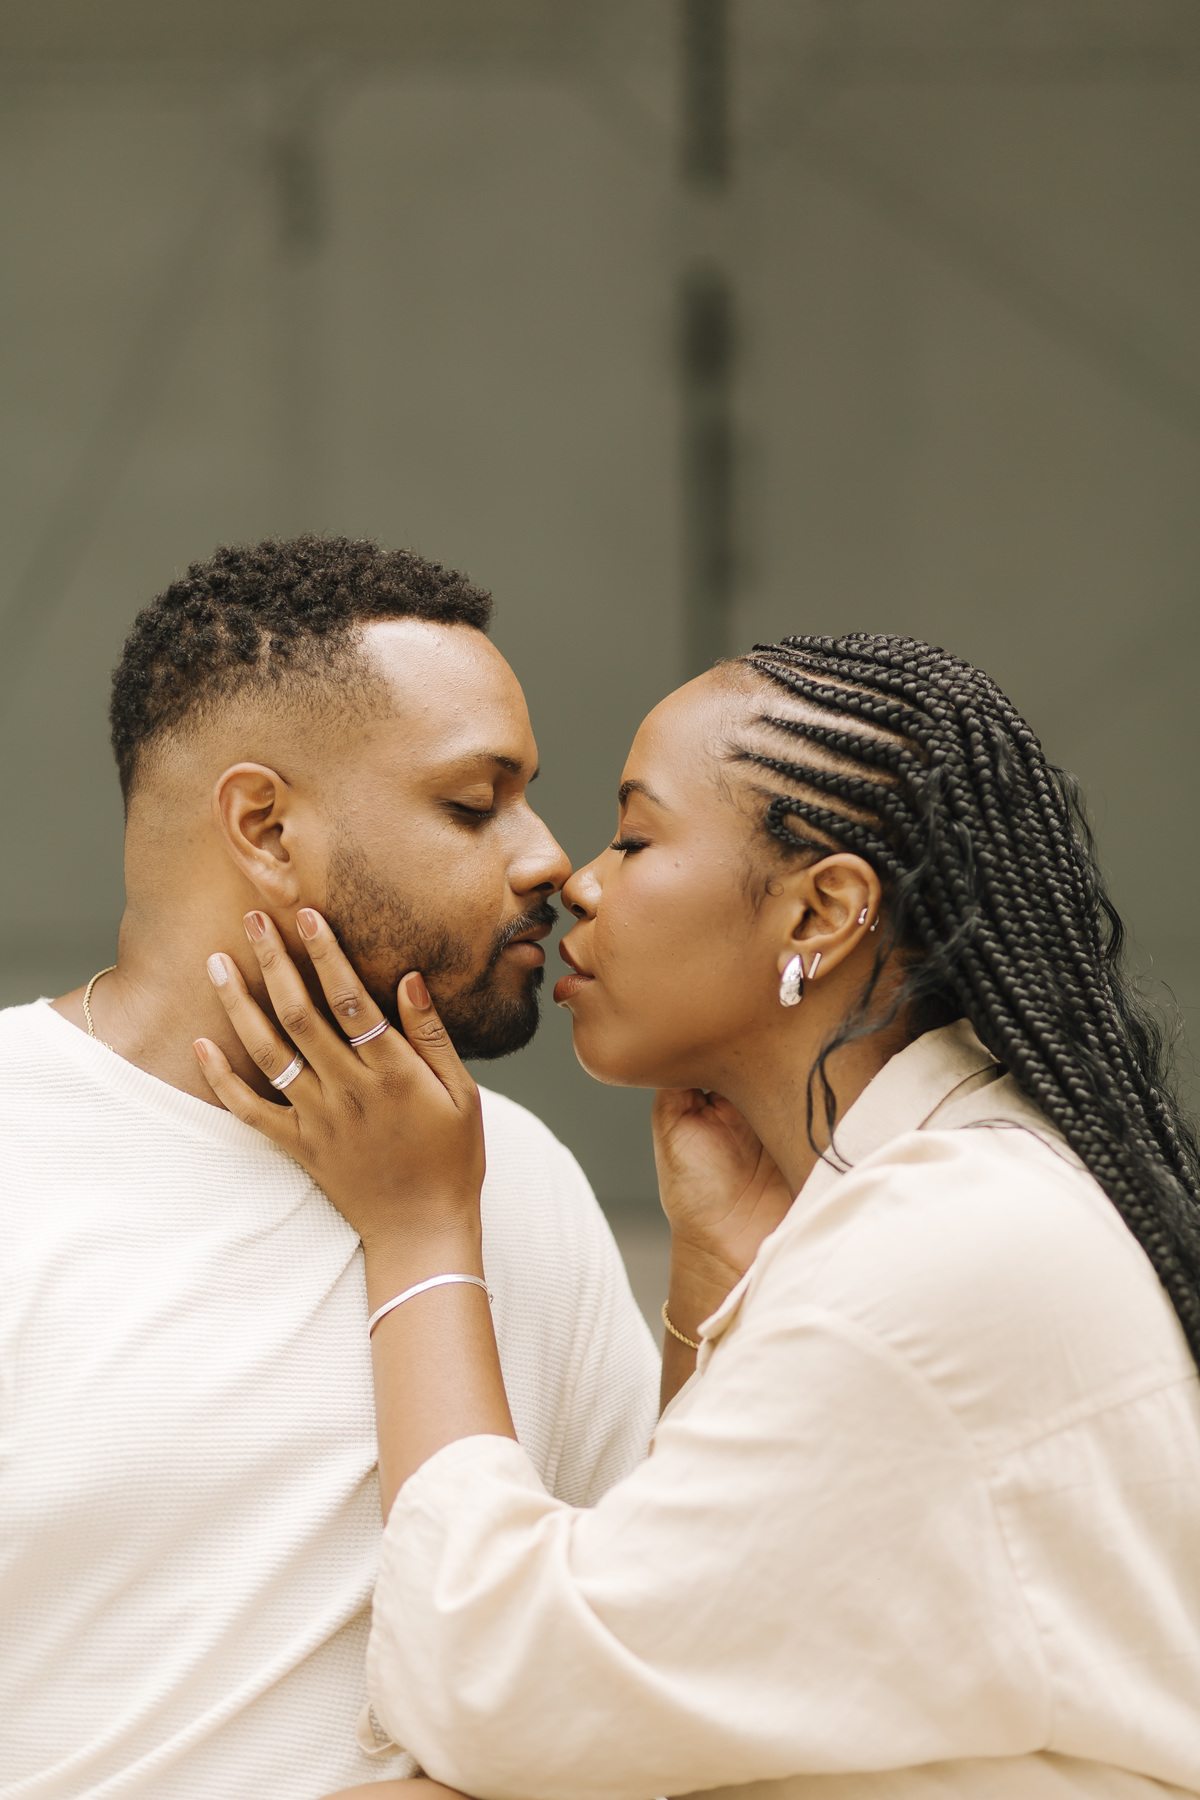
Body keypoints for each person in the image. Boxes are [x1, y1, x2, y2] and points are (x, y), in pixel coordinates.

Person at [206, 633, 1200, 1800]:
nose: (575, 878)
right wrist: (719, 1269)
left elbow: (506, 1694)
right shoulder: (947, 1202)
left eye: (635, 839)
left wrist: (420, 1229)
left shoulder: (938, 1253)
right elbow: (669, 1646)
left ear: (821, 912)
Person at [0, 536, 658, 1800]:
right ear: (264, 826)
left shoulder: (516, 1176)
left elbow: (630, 1679)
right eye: (474, 805)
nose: (550, 862)